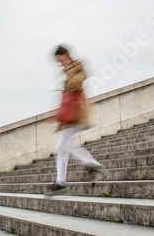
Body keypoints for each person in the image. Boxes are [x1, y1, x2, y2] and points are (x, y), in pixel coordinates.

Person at [45, 45, 107, 196]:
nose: (60, 64)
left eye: (61, 60)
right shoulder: (67, 71)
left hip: (77, 113)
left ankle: (93, 165)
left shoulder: (78, 66)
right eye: (58, 62)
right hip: (69, 115)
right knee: (62, 148)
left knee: (61, 146)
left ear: (66, 55)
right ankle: (61, 182)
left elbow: (76, 84)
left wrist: (66, 74)